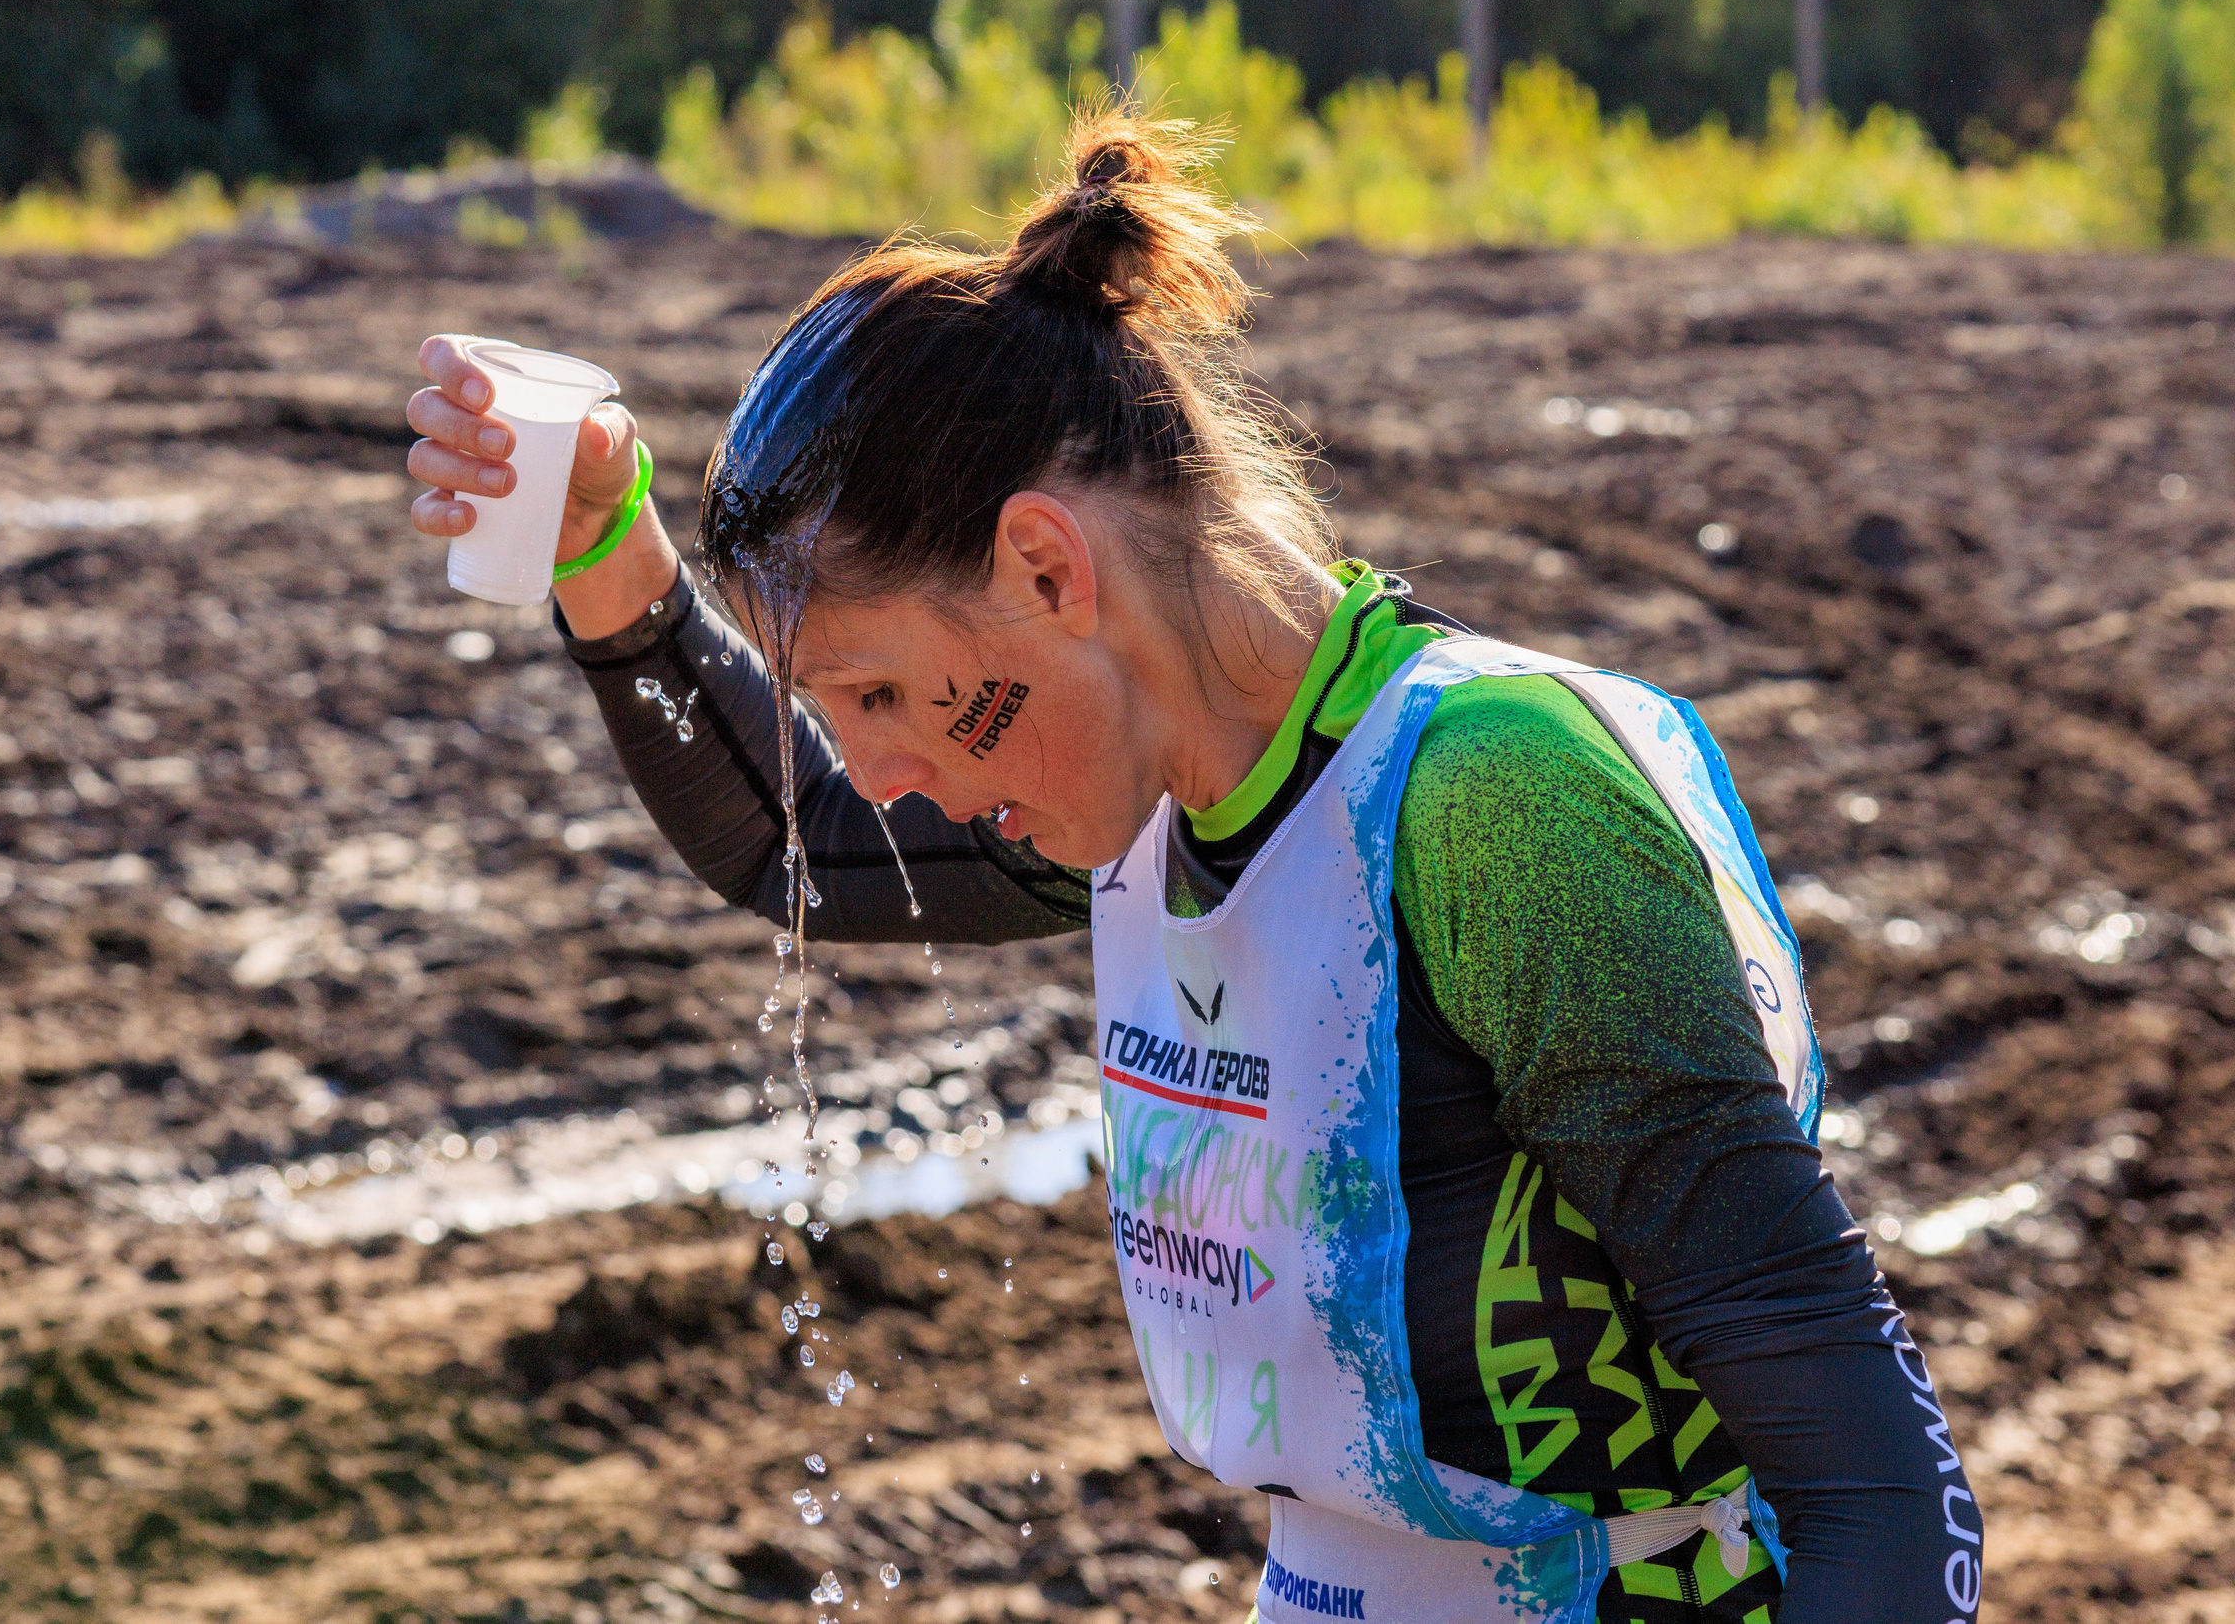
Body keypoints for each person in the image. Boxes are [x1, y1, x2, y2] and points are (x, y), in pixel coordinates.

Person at [404, 110, 1981, 1624]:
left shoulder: (1494, 806)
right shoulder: (1157, 794)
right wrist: (608, 555)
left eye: (878, 694)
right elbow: (794, 840)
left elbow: (1886, 1503)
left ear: (1047, 567)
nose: (874, 772)